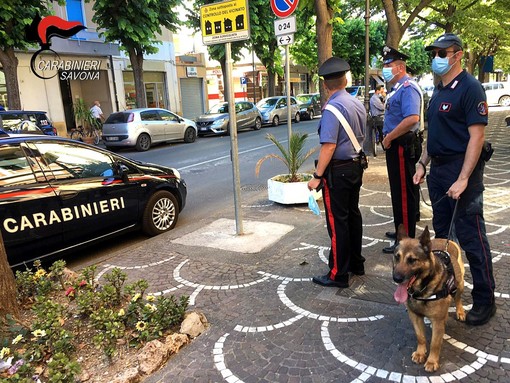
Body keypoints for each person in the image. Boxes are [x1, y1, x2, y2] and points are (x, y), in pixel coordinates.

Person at [413, 33, 496, 326]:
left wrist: (463, 179)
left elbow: (477, 137)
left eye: (441, 52)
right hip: (438, 171)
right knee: (443, 239)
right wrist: (423, 163)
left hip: (463, 173)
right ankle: (443, 287)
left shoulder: (470, 88)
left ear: (457, 54)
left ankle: (486, 299)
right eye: (434, 52)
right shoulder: (438, 90)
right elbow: (432, 135)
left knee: (472, 237)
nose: (436, 57)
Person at [307, 57, 366, 288]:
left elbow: (328, 146)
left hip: (338, 171)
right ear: (345, 80)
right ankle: (356, 264)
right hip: (355, 167)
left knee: (337, 222)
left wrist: (317, 176)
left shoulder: (332, 108)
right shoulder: (356, 103)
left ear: (325, 84)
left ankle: (338, 274)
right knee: (353, 215)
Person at [380, 46, 423, 254]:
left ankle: (405, 242)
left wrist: (389, 137)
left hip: (401, 145)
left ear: (400, 67)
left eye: (388, 65)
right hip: (396, 145)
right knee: (398, 192)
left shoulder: (408, 88)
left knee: (404, 194)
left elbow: (412, 118)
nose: (384, 69)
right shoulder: (397, 88)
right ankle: (401, 231)